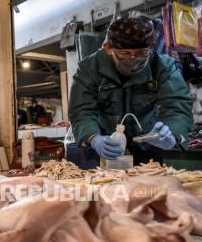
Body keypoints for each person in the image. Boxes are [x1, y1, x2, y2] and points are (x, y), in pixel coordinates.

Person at [69, 16, 193, 165]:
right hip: (106, 147)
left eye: (141, 54)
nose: (134, 62)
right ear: (108, 48)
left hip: (149, 147)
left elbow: (177, 105)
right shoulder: (89, 68)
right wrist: (93, 138)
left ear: (150, 48)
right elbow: (81, 110)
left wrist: (172, 133)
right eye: (125, 54)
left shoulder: (163, 66)